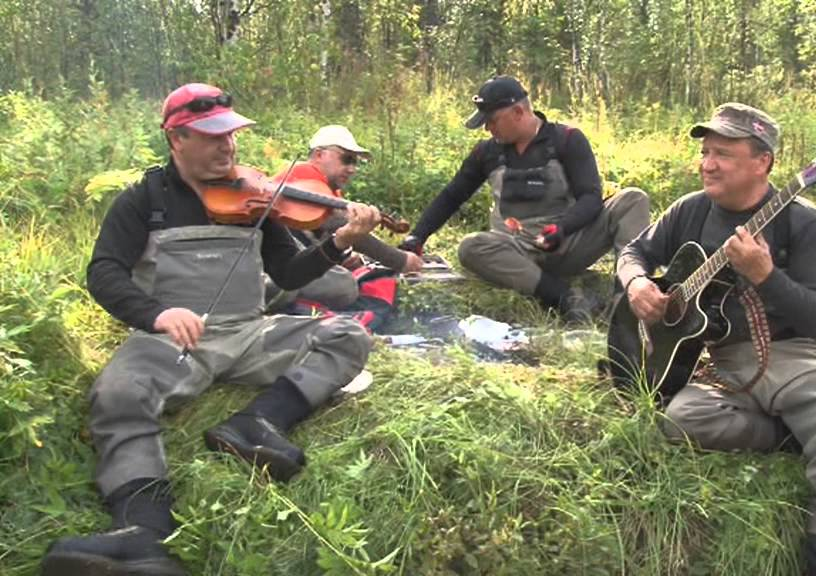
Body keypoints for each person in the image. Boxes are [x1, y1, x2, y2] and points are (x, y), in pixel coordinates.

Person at [41, 83, 379, 575]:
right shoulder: (143, 200)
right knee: (118, 391)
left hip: (249, 334)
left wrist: (338, 243)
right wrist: (156, 314)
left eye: (233, 135)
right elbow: (105, 272)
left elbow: (286, 273)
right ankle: (143, 531)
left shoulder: (256, 197)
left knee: (348, 336)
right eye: (214, 136)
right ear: (177, 139)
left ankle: (257, 423)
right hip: (172, 340)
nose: (229, 146)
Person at [617, 103, 816, 576]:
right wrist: (637, 283)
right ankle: (803, 436)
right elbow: (635, 250)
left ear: (764, 163)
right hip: (727, 360)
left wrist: (766, 275)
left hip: (801, 356)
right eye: (705, 151)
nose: (707, 163)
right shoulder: (690, 210)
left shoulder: (802, 222)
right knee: (680, 419)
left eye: (723, 154)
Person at [398, 75, 650, 322]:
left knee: (633, 199)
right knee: (470, 247)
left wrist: (562, 229)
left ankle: (628, 299)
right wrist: (417, 236)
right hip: (514, 252)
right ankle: (564, 298)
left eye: (492, 120)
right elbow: (452, 195)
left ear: (518, 112)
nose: (488, 128)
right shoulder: (486, 152)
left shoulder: (567, 139)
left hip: (567, 243)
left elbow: (591, 198)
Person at [265, 124, 423, 313]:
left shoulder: (327, 189)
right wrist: (400, 260)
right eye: (346, 159)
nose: (352, 168)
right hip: (275, 266)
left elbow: (321, 232)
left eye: (355, 162)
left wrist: (343, 254)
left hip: (292, 258)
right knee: (345, 286)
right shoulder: (304, 177)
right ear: (318, 155)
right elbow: (338, 223)